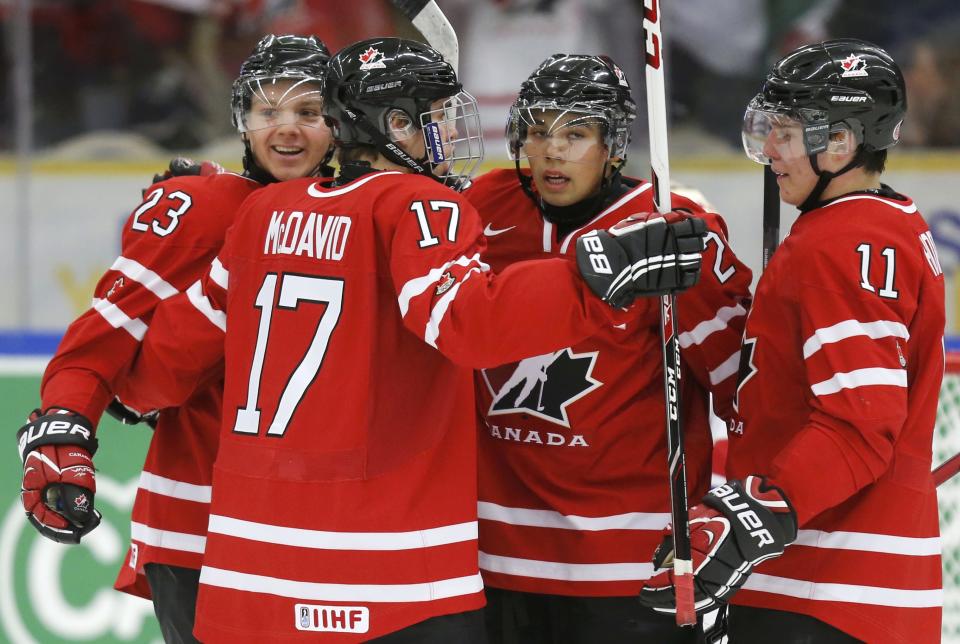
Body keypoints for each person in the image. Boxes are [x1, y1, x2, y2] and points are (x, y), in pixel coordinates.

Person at [88, 37, 709, 642]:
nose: (448, 135)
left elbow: (158, 372)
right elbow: (469, 322)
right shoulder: (422, 206)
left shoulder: (263, 211)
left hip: (251, 570)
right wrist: (594, 273)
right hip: (387, 575)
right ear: (391, 124)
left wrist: (123, 388)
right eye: (433, 119)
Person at [15, 34, 335, 643]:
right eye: (269, 111)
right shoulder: (206, 207)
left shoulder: (364, 210)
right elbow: (99, 340)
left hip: (316, 523)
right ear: (243, 122)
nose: (287, 129)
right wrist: (63, 431)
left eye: (309, 112)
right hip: (202, 522)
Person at [639, 39, 945, 644]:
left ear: (842, 142)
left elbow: (860, 426)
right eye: (769, 128)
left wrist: (761, 510)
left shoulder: (846, 242)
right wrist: (698, 282)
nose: (770, 150)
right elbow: (764, 395)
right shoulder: (866, 225)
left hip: (834, 587)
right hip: (833, 588)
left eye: (787, 132)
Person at [464, 54, 753, 643]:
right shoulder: (482, 208)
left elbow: (742, 382)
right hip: (494, 554)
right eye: (540, 130)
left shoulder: (671, 225)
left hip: (632, 563)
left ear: (614, 143)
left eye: (576, 133)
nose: (552, 151)